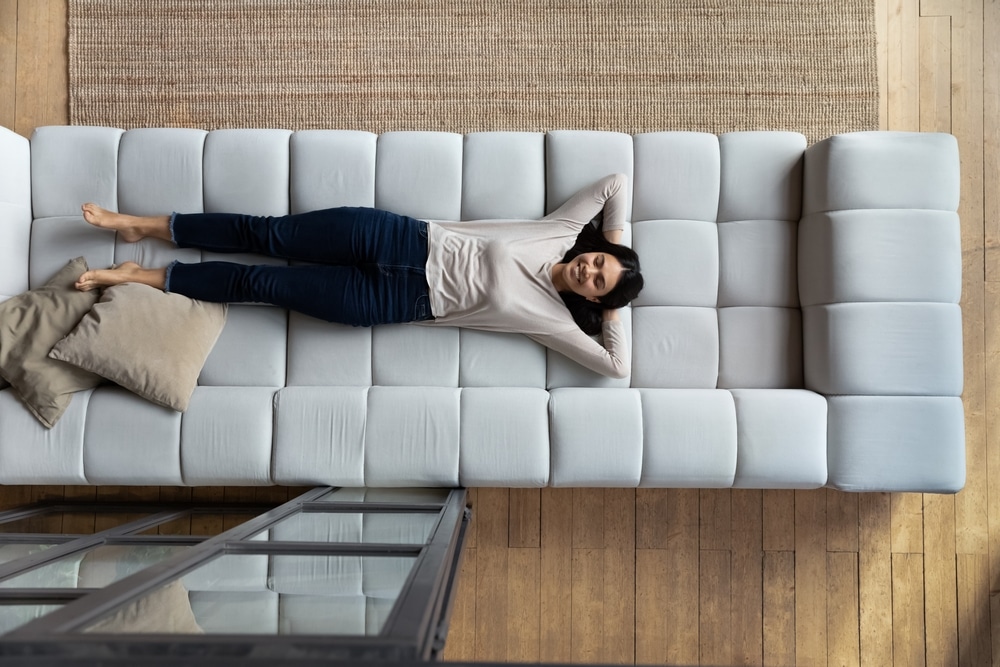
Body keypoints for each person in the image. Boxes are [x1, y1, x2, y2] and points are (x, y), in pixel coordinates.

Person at [76, 173, 643, 378]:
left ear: (594, 298)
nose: (590, 269)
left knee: (261, 287)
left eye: (597, 280)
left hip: (391, 299)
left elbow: (617, 367)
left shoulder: (555, 322)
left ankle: (140, 277)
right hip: (398, 236)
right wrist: (616, 249)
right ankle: (141, 225)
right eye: (597, 262)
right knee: (266, 234)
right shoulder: (562, 231)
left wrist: (613, 305)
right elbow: (616, 183)